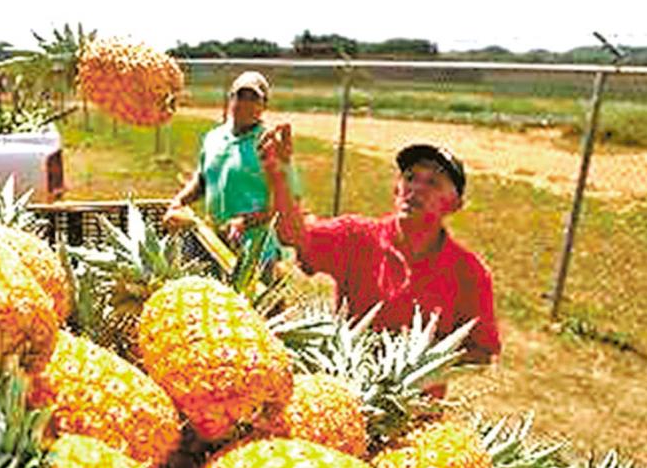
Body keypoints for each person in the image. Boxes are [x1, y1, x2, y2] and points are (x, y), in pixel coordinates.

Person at [267, 141, 501, 365]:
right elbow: (293, 236)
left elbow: (481, 351)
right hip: (348, 393)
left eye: (433, 183)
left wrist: (424, 359)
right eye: (410, 178)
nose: (416, 188)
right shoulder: (356, 237)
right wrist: (277, 174)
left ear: (455, 204)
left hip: (417, 405)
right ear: (396, 189)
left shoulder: (468, 272)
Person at [162, 71, 297, 270]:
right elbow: (202, 180)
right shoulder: (214, 137)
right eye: (240, 96)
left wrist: (244, 222)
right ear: (230, 99)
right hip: (215, 243)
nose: (245, 103)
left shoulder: (269, 144)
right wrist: (179, 201)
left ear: (264, 105)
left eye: (254, 98)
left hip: (256, 252)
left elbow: (281, 206)